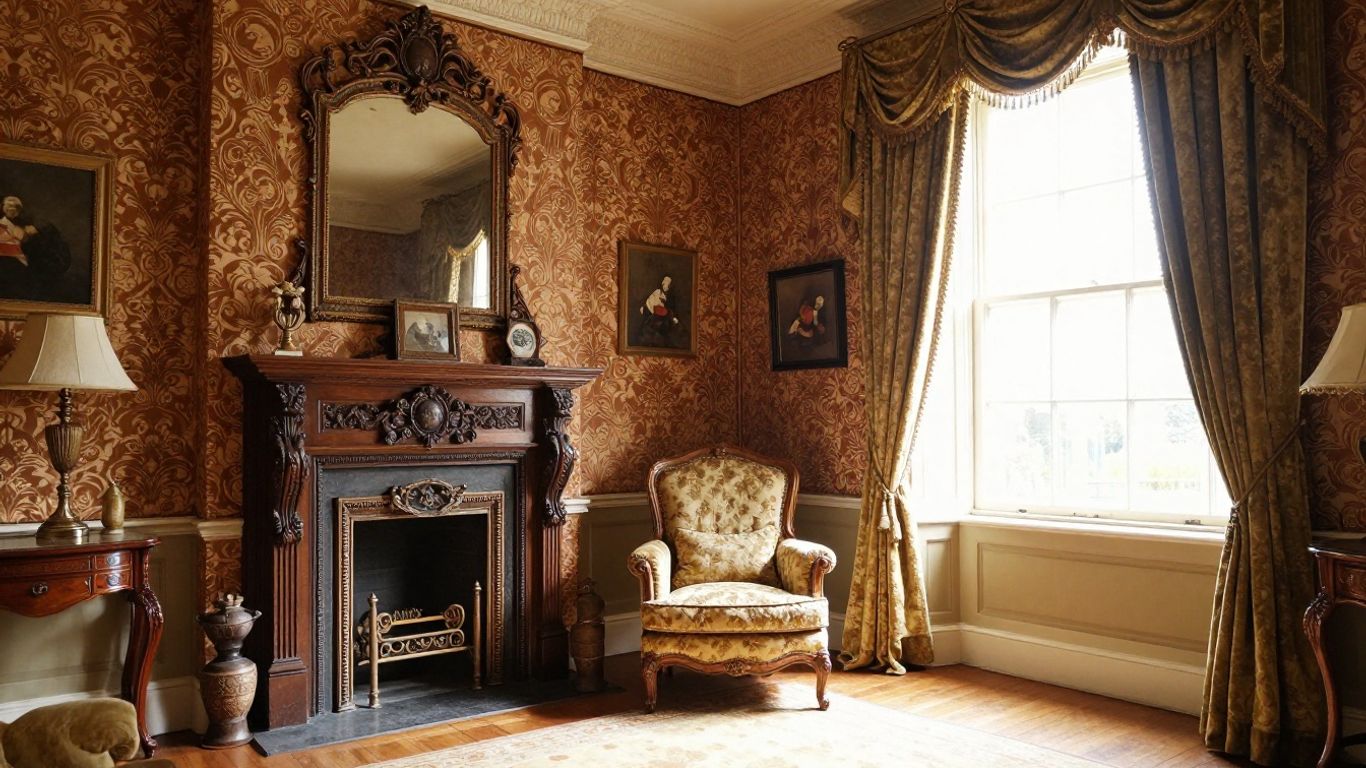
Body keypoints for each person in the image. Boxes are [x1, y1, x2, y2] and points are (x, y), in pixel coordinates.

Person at [637, 275, 680, 346]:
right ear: (663, 284)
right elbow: (651, 302)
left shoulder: (669, 296)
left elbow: (670, 308)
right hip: (654, 313)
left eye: (669, 286)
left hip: (662, 316)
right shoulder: (657, 292)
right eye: (666, 285)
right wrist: (646, 308)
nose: (667, 287)